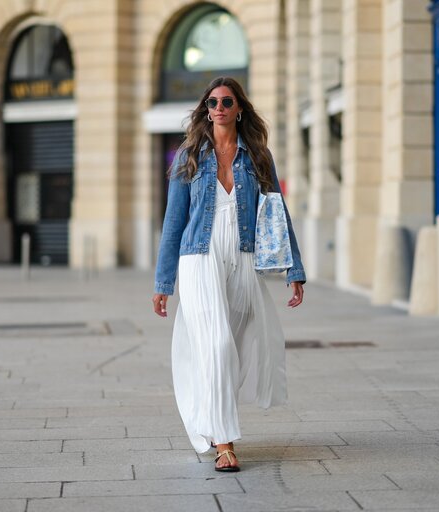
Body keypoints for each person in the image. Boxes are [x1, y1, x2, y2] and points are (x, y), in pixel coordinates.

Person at [152, 76, 306, 472]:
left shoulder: (257, 155)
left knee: (232, 353)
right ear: (206, 110)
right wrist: (163, 283)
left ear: (239, 109)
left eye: (226, 102)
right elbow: (174, 222)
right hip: (198, 258)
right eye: (212, 103)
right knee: (218, 345)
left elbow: (277, 212)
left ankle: (209, 416)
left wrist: (295, 269)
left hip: (242, 258)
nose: (218, 108)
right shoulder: (188, 155)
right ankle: (225, 444)